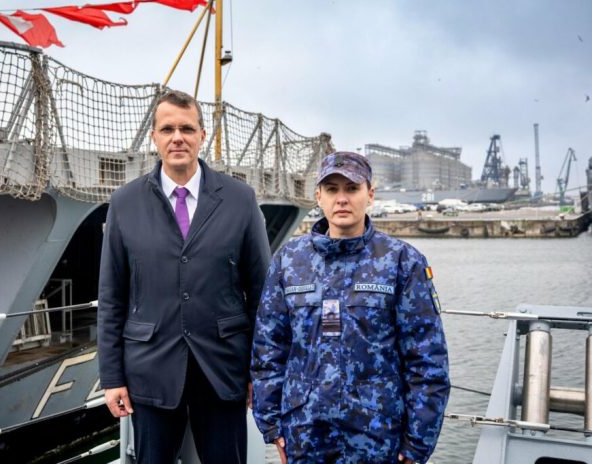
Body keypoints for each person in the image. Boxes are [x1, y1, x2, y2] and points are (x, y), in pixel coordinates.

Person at [98, 90, 270, 463]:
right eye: (168, 129)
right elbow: (112, 297)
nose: (178, 138)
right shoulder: (125, 203)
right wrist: (112, 378)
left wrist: (260, 370)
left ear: (202, 135)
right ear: (154, 137)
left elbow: (261, 295)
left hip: (223, 369)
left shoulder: (240, 199)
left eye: (187, 129)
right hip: (151, 369)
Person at [251, 151, 450, 464]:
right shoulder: (289, 261)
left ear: (369, 194)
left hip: (378, 437)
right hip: (306, 435)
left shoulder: (402, 261)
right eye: (332, 189)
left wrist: (417, 444)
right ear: (318, 196)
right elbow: (269, 348)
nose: (341, 199)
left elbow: (427, 359)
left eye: (352, 188)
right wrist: (272, 425)